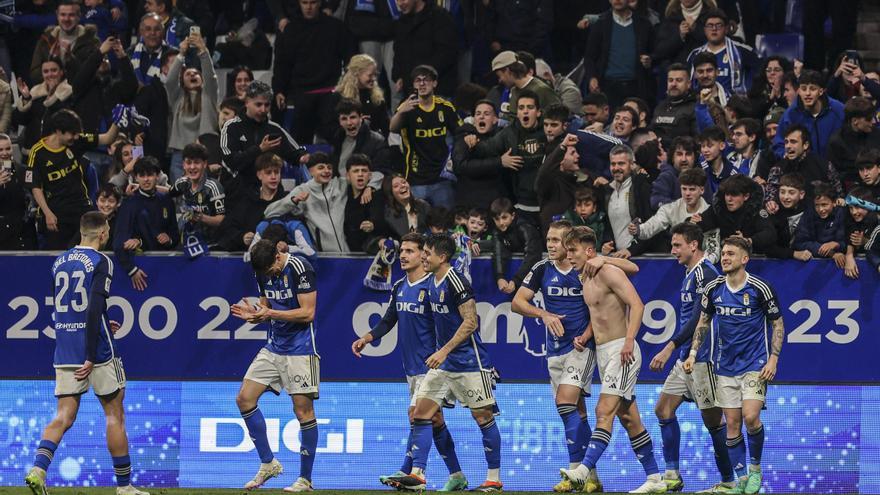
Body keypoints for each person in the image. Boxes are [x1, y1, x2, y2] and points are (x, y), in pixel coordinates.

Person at [24, 211, 149, 495]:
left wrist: (104, 320)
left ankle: (38, 469)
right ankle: (125, 487)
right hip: (98, 352)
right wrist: (92, 353)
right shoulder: (101, 261)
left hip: (65, 346)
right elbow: (92, 308)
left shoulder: (59, 262)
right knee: (114, 415)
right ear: (103, 233)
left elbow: (72, 306)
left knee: (64, 416)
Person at [512, 220, 639, 492]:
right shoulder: (542, 269)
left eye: (556, 241)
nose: (551, 245)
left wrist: (603, 257)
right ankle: (588, 475)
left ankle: (575, 470)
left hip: (581, 347)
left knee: (565, 402)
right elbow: (517, 302)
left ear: (571, 244)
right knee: (574, 411)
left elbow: (631, 268)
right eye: (548, 240)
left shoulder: (586, 268)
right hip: (554, 349)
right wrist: (544, 314)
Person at [351, 233, 468, 491]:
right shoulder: (399, 286)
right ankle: (457, 474)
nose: (403, 255)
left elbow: (454, 323)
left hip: (434, 366)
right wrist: (368, 337)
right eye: (402, 250)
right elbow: (388, 319)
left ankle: (414, 473)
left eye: (410, 251)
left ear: (423, 255)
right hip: (411, 367)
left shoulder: (435, 285)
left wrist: (445, 353)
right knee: (433, 420)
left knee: (417, 415)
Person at [387, 234, 502, 492]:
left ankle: (493, 479)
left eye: (426, 253)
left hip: (470, 363)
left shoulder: (456, 280)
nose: (423, 257)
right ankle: (417, 475)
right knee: (420, 413)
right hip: (443, 366)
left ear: (442, 257)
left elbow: (471, 322)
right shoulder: (432, 282)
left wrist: (444, 351)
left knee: (482, 417)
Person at [559, 226, 665, 494]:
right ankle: (655, 479)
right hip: (604, 353)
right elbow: (599, 316)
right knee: (630, 419)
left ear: (589, 250)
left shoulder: (606, 271)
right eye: (567, 250)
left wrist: (630, 340)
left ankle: (583, 471)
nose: (568, 255)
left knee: (602, 411)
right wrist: (585, 336)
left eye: (573, 250)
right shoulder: (584, 277)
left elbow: (637, 304)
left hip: (622, 351)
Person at [684, 236, 786, 495]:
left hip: (755, 362)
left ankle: (755, 469)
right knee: (731, 424)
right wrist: (693, 353)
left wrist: (773, 358)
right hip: (724, 366)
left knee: (751, 418)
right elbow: (703, 323)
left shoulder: (760, 288)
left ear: (744, 259)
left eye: (730, 253)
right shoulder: (713, 289)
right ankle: (741, 480)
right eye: (723, 253)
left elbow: (778, 323)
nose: (724, 257)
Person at [647, 222, 736, 493]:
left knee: (713, 422)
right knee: (663, 409)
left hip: (703, 358)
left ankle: (730, 482)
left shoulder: (706, 275)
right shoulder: (690, 273)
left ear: (693, 245)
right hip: (687, 358)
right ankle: (672, 475)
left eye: (677, 245)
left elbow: (700, 318)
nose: (673, 250)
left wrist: (669, 346)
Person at [230, 239, 320, 492]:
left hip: (301, 349)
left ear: (279, 256)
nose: (268, 276)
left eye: (270, 270)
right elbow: (265, 308)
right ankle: (268, 463)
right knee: (244, 399)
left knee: (303, 412)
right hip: (273, 347)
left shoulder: (301, 268)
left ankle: (305, 479)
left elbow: (308, 313)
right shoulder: (262, 272)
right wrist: (255, 315)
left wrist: (270, 314)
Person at [272, 0, 356, 144]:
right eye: (305, 2)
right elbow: (282, 64)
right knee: (299, 142)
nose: (309, 7)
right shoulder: (291, 30)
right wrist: (279, 90)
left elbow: (351, 57)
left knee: (335, 139)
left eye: (313, 2)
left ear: (320, 3)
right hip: (303, 94)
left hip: (330, 92)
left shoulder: (335, 28)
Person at [264, 152, 383, 252]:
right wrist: (293, 201)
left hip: (348, 254)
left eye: (329, 167)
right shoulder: (303, 190)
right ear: (310, 171)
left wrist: (370, 187)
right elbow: (269, 212)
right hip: (325, 257)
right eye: (321, 168)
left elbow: (378, 175)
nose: (326, 171)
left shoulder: (340, 184)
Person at [390, 65, 461, 207]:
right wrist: (400, 112)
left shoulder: (445, 107)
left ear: (435, 83)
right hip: (415, 180)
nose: (422, 83)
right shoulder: (407, 107)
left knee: (446, 224)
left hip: (442, 179)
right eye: (418, 80)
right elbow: (393, 128)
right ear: (414, 85)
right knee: (417, 227)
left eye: (426, 80)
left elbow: (460, 132)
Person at [25, 110, 96, 249]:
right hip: (57, 214)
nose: (76, 137)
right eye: (72, 133)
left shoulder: (76, 142)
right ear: (58, 131)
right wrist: (48, 213)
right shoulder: (38, 152)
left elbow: (106, 138)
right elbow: (35, 186)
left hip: (81, 210)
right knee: (59, 257)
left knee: (84, 253)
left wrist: (117, 124)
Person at [220, 80, 305, 193]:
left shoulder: (275, 129)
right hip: (238, 195)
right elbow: (232, 162)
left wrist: (303, 157)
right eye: (258, 104)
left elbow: (295, 154)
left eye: (267, 105)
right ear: (247, 102)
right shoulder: (231, 127)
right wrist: (260, 149)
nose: (263, 110)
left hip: (269, 195)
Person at [113, 156, 178, 291]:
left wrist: (169, 239)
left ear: (157, 176)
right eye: (142, 175)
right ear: (136, 178)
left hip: (165, 268)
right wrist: (132, 270)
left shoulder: (166, 200)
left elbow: (175, 235)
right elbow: (119, 243)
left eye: (150, 175)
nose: (146, 179)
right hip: (139, 270)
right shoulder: (129, 204)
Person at [165, 30, 219, 182]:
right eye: (188, 74)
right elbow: (169, 81)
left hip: (204, 154)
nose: (193, 75)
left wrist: (203, 51)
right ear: (182, 80)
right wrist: (181, 54)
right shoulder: (177, 98)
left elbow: (211, 76)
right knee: (180, 199)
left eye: (196, 73)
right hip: (179, 156)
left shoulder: (209, 95)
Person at [582, 0, 656, 110]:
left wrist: (650, 60)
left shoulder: (644, 24)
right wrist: (592, 77)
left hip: (637, 86)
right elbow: (589, 57)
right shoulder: (601, 24)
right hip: (607, 87)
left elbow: (655, 53)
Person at [217, 152, 286, 251]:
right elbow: (228, 228)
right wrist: (242, 237)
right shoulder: (247, 200)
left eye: (276, 172)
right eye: (268, 172)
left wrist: (286, 245)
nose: (273, 176)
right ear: (259, 175)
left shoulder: (286, 200)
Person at [772, 70, 844, 160]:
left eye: (812, 89)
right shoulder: (791, 114)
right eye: (803, 89)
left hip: (834, 168)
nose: (807, 93)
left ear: (821, 91)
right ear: (799, 91)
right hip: (802, 169)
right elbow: (778, 144)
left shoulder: (838, 110)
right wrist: (785, 155)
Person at [684, 8, 758, 95]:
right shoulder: (695, 54)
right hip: (702, 104)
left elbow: (760, 72)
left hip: (733, 105)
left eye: (718, 25)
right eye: (710, 25)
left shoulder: (741, 51)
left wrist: (748, 93)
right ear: (704, 30)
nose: (714, 29)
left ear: (726, 29)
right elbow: (688, 83)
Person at [29, 0, 100, 85]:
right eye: (63, 15)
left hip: (82, 94)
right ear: (57, 15)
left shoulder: (91, 40)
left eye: (71, 15)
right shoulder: (45, 39)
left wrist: (70, 59)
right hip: (52, 94)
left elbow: (95, 74)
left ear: (79, 16)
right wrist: (52, 61)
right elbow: (34, 74)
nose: (66, 19)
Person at [632, 167, 709, 245]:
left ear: (702, 190)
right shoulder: (672, 208)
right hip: (679, 254)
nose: (687, 193)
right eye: (684, 189)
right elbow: (654, 224)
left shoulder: (709, 212)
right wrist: (638, 229)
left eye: (692, 189)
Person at [169, 142, 225, 245]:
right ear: (183, 165)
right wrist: (140, 187)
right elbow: (168, 192)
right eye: (188, 162)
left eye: (196, 162)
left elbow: (221, 220)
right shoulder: (182, 182)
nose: (192, 167)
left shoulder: (213, 187)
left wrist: (201, 217)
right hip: (187, 243)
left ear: (204, 164)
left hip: (211, 245)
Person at [452, 100, 503, 209]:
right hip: (468, 203)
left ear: (495, 119)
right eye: (478, 114)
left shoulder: (502, 138)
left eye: (487, 114)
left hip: (494, 202)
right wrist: (500, 162)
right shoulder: (464, 136)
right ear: (474, 119)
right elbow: (460, 167)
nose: (481, 117)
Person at [488, 197, 542, 293]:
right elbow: (499, 253)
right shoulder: (497, 231)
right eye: (497, 219)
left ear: (512, 215)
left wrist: (516, 280)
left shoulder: (525, 227)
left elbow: (532, 256)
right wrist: (500, 277)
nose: (501, 222)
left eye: (504, 217)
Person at [333, 54, 390, 136]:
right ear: (356, 74)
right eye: (370, 75)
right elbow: (331, 129)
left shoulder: (377, 98)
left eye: (375, 75)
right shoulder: (339, 97)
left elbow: (386, 128)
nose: (374, 79)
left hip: (373, 144)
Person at [791, 182, 846, 262]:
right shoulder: (809, 214)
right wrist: (830, 253)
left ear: (834, 203)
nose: (820, 209)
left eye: (824, 205)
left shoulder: (841, 213)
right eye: (817, 205)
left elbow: (848, 242)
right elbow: (800, 242)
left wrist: (837, 244)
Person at [651, 63, 697, 145]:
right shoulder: (660, 106)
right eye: (670, 80)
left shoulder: (695, 108)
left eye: (679, 80)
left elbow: (697, 140)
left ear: (688, 84)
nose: (674, 84)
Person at [383, 174, 430, 240]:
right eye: (396, 186)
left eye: (404, 182)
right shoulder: (388, 213)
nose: (402, 186)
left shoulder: (423, 205)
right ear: (391, 193)